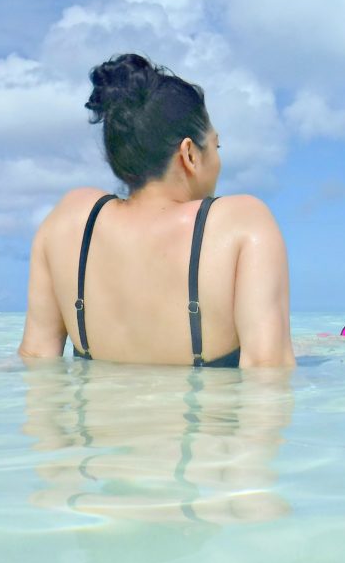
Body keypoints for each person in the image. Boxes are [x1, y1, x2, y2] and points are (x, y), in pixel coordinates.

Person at [18, 54, 296, 368]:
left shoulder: (68, 222)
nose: (218, 162)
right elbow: (267, 372)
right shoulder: (241, 224)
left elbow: (36, 362)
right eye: (216, 147)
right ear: (189, 154)